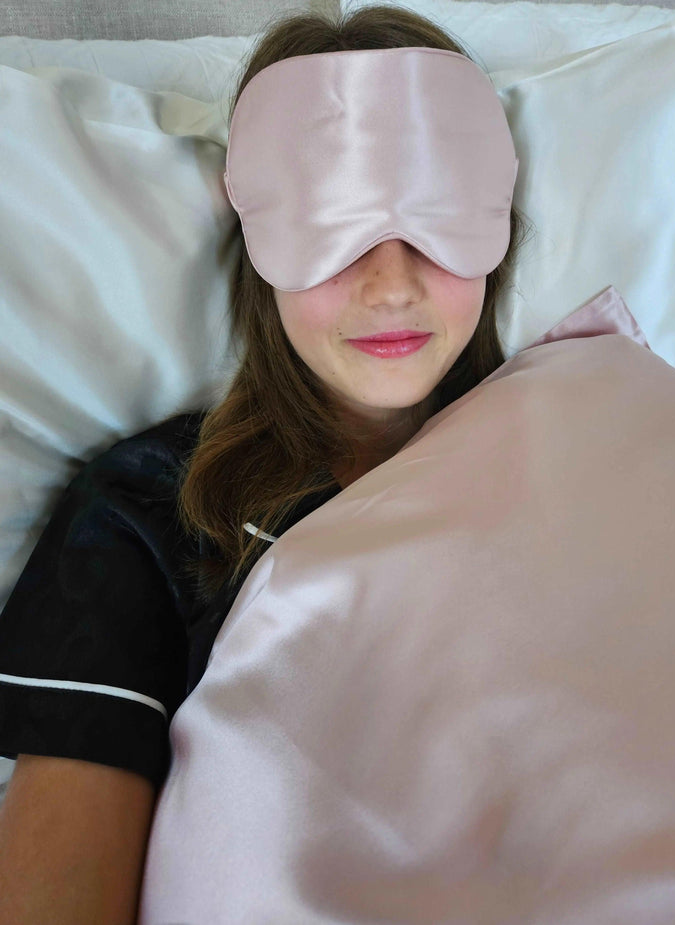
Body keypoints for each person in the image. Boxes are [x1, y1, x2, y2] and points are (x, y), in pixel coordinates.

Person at [0, 5, 533, 923]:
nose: (392, 282)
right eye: (334, 226)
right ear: (257, 241)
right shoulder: (141, 512)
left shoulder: (581, 443)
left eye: (436, 217)